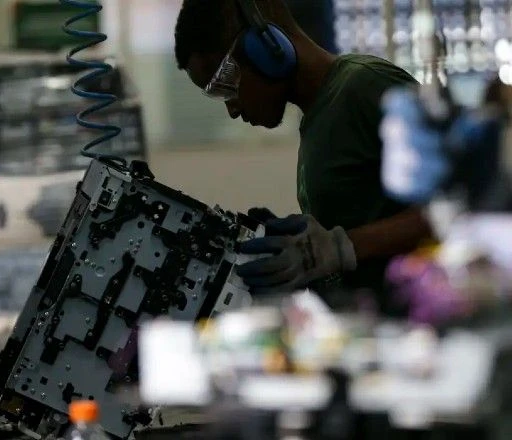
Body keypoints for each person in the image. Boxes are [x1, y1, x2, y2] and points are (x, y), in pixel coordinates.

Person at [174, 0, 433, 314]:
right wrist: (294, 244)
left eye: (226, 84)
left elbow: (463, 205)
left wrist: (339, 248)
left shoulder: (365, 86)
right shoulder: (318, 116)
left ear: (266, 48)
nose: (232, 108)